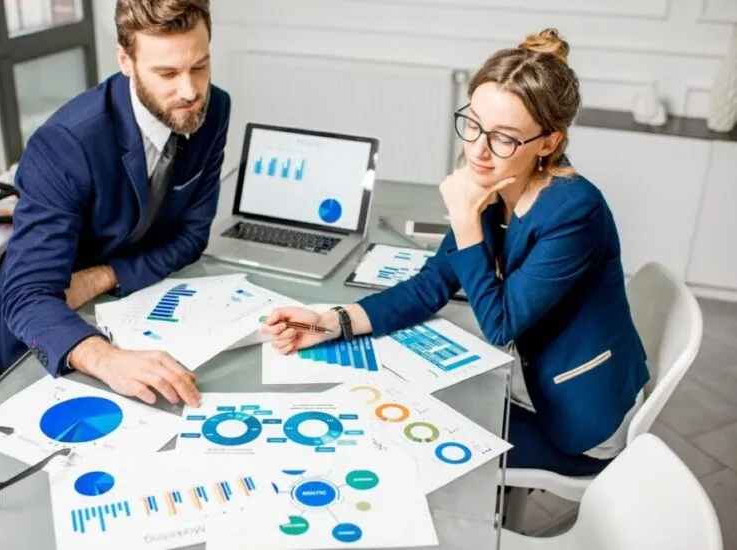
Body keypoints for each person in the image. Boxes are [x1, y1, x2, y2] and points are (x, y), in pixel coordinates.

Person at [262, 28, 649, 476]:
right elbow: (431, 285)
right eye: (474, 125)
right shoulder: (493, 184)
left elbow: (500, 323)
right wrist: (334, 322)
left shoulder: (574, 211)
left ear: (549, 142)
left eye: (504, 137)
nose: (478, 151)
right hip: (526, 380)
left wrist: (466, 223)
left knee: (407, 453)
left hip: (580, 419)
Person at [0, 0, 231, 408]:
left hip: (132, 299)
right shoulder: (66, 142)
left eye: (200, 66)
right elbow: (27, 296)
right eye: (167, 73)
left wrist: (103, 278)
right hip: (50, 327)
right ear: (126, 61)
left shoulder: (213, 108)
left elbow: (192, 236)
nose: (190, 91)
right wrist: (106, 358)